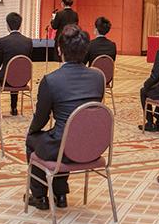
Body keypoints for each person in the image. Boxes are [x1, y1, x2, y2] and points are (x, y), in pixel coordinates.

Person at [25, 25, 104, 210]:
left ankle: (39, 196)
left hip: (64, 148)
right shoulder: (98, 77)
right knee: (64, 136)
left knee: (34, 140)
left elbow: (41, 119)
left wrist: (32, 131)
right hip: (93, 145)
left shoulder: (51, 80)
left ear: (59, 50)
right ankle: (60, 194)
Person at [0, 12, 34, 116]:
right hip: (23, 80)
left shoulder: (2, 41)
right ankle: (14, 108)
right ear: (20, 25)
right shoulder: (28, 41)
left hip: (6, 80)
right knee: (16, 71)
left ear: (7, 25)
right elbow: (27, 61)